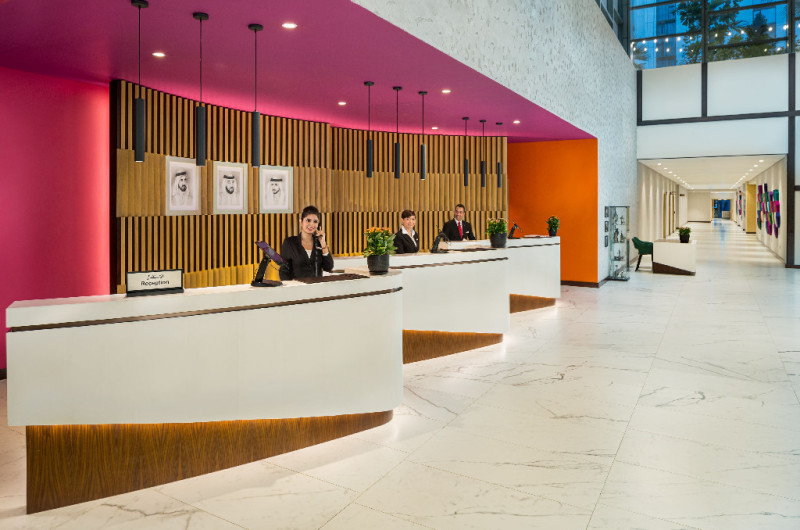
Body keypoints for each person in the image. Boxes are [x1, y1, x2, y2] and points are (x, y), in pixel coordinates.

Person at [279, 205, 333, 280]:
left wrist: (323, 244)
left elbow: (329, 267)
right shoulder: (290, 242)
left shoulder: (319, 243)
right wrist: (289, 286)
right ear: (301, 221)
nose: (312, 224)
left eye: (315, 221)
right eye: (308, 220)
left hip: (317, 286)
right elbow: (284, 271)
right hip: (297, 286)